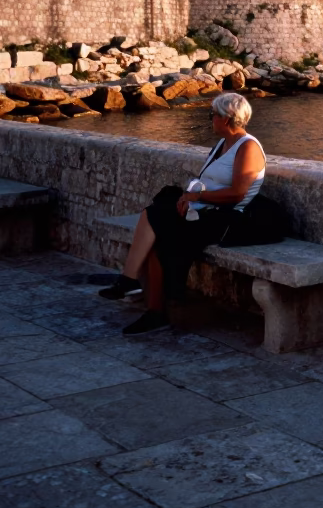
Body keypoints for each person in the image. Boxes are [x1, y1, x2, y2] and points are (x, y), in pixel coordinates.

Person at [99, 91, 267, 336]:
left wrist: (197, 197)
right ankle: (147, 302)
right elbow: (209, 182)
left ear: (227, 119)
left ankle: (134, 286)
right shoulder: (223, 144)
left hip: (227, 219)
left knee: (157, 220)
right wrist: (189, 197)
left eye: (213, 115)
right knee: (156, 220)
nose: (211, 119)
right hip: (205, 210)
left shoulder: (248, 147)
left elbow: (237, 194)